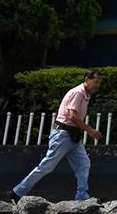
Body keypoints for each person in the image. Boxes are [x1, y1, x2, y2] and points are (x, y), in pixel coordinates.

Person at [10, 70, 103, 202]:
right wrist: (89, 130)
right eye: (96, 82)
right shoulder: (78, 92)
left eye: (99, 83)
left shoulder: (86, 95)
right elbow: (71, 115)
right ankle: (16, 193)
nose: (97, 85)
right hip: (63, 135)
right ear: (87, 79)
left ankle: (82, 196)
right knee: (46, 167)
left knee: (83, 164)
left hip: (72, 136)